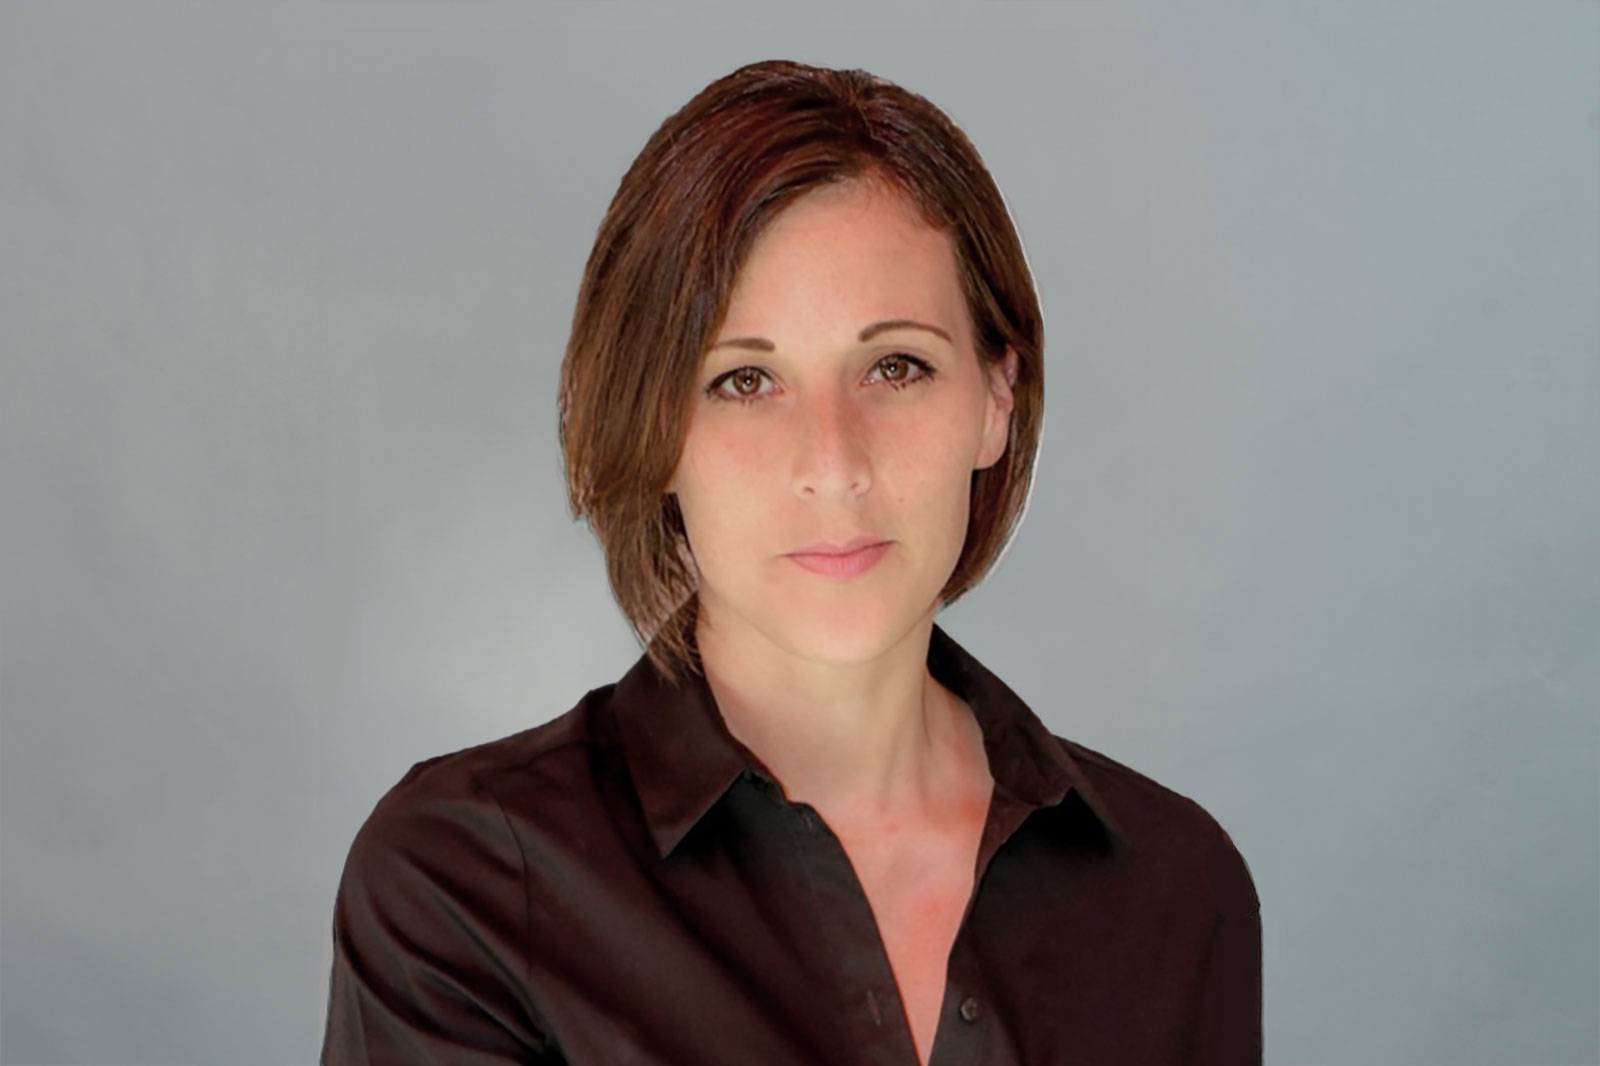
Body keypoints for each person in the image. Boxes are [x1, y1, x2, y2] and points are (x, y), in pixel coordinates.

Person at [319, 59, 1261, 1066]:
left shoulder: (1175, 887)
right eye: (745, 380)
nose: (834, 465)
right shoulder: (464, 888)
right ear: (653, 427)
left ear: (996, 397)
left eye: (895, 367)